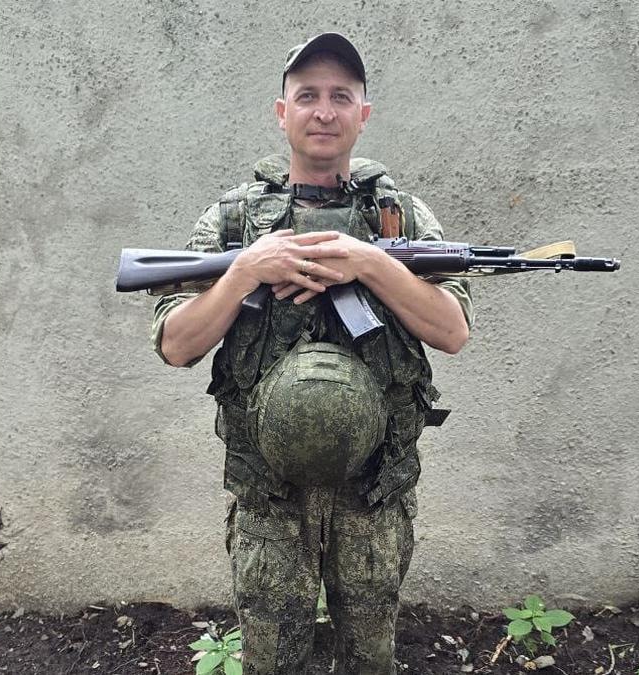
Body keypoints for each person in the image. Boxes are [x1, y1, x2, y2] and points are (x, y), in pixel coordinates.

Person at [150, 32, 474, 675]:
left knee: (368, 657)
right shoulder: (233, 221)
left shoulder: (402, 219)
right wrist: (246, 271)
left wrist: (370, 264)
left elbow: (453, 331)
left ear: (363, 113)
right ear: (282, 112)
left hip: (373, 488)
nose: (324, 111)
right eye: (307, 96)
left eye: (340, 96)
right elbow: (175, 344)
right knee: (273, 659)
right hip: (269, 491)